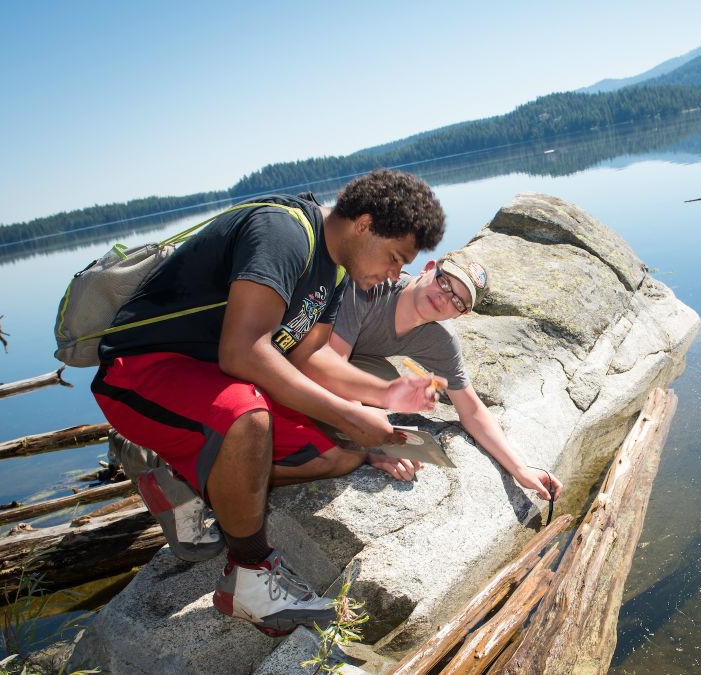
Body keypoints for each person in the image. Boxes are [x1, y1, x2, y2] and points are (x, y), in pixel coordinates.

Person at [93, 170, 446, 636]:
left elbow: (309, 354)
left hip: (213, 380)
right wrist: (346, 414)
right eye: (396, 257)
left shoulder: (337, 267)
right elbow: (243, 351)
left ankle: (175, 474)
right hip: (141, 374)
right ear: (363, 224)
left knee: (339, 454)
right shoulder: (283, 233)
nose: (395, 274)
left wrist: (384, 394)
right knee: (248, 419)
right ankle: (249, 576)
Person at [328, 250, 563, 501]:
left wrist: (520, 469)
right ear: (428, 267)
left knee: (387, 383)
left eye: (458, 302)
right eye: (445, 282)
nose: (444, 299)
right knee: (375, 397)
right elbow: (329, 367)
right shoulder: (374, 284)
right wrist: (370, 441)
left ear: (461, 314)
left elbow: (472, 411)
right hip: (305, 344)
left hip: (346, 359)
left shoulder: (439, 339)